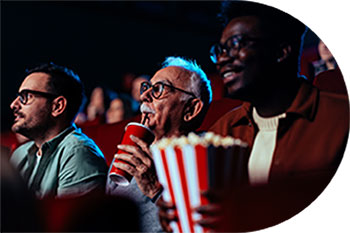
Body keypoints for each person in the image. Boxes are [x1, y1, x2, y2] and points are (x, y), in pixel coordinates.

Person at [158, 1, 349, 232]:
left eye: (236, 44)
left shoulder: (341, 119)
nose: (223, 59)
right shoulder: (221, 133)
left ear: (281, 51)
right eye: (220, 50)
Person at [106, 56, 212, 232]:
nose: (143, 96)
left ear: (191, 109)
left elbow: (197, 227)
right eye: (147, 88)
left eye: (159, 89)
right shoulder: (130, 152)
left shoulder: (205, 156)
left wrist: (155, 190)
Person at [9, 62, 108, 200]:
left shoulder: (78, 153)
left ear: (57, 106)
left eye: (26, 96)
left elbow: (71, 221)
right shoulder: (20, 154)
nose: (13, 105)